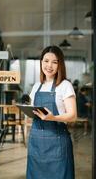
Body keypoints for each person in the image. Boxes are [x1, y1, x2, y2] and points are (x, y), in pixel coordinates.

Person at [26, 45, 77, 179]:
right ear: (41, 62)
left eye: (54, 62)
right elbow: (33, 111)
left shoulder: (65, 85)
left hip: (57, 144)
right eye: (46, 61)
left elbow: (72, 116)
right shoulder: (36, 86)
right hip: (36, 144)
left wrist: (52, 117)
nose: (49, 65)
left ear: (60, 65)